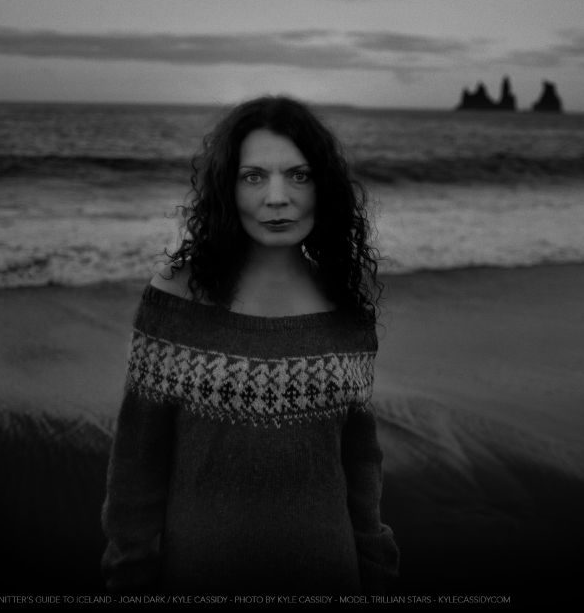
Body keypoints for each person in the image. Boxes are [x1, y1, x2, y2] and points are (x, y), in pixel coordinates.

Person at [100, 95, 399, 595]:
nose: (277, 197)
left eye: (299, 175)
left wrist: (379, 574)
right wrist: (127, 575)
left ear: (323, 186)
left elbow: (360, 465)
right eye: (253, 176)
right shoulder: (177, 297)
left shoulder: (345, 307)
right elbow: (136, 465)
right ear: (226, 186)